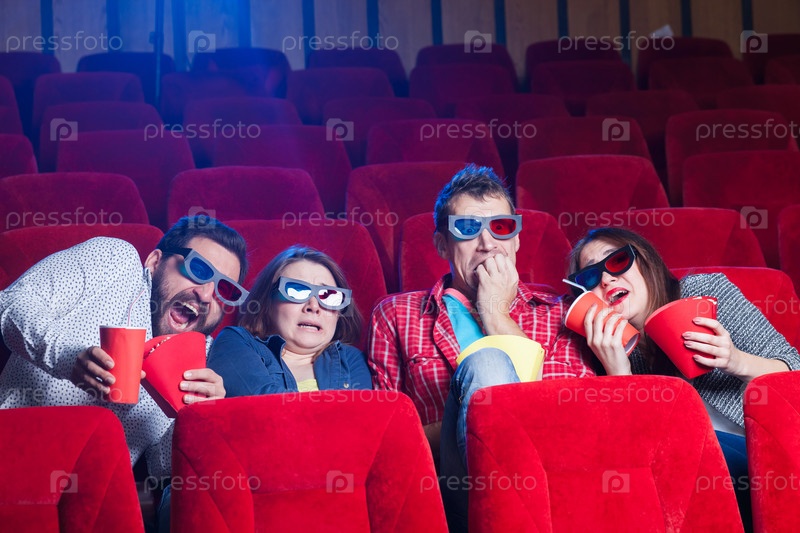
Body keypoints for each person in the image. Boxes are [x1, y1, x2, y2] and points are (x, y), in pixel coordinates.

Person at [368, 164, 595, 530]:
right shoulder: (395, 314)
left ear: (516, 240)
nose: (487, 243)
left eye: (501, 227)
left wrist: (495, 313)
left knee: (489, 362)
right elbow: (387, 441)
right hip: (455, 498)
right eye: (468, 228)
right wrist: (469, 420)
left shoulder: (561, 312)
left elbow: (564, 423)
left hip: (553, 491)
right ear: (442, 244)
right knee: (486, 363)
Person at [0, 215, 248, 529]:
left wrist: (199, 419)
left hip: (87, 505)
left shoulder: (203, 356)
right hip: (12, 459)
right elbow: (12, 302)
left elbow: (160, 467)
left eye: (224, 289)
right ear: (155, 262)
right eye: (198, 269)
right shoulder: (115, 261)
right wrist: (67, 357)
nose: (207, 294)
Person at [567, 227, 800, 531]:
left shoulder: (704, 293)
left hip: (768, 448)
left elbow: (794, 371)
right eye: (589, 277)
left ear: (646, 260)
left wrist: (735, 360)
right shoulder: (604, 351)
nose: (607, 279)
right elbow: (640, 455)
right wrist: (619, 375)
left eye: (618, 261)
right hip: (696, 477)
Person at [208, 246, 371, 394]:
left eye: (329, 296)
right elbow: (266, 408)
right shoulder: (234, 341)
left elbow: (360, 415)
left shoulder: (351, 360)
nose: (314, 306)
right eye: (296, 290)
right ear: (267, 303)